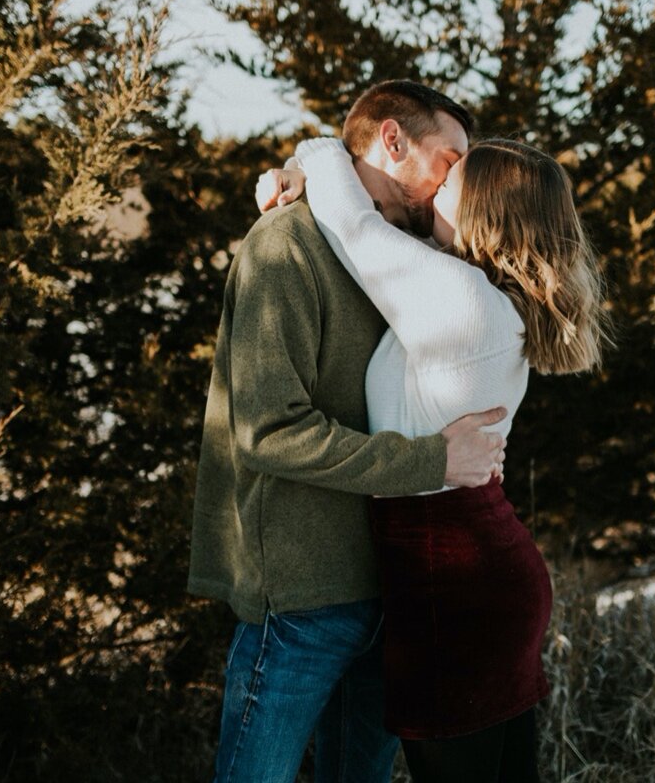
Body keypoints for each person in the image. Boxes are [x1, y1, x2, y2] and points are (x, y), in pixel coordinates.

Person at [260, 129, 610, 782]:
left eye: (449, 181)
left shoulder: (459, 297)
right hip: (473, 575)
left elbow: (354, 226)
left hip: (452, 588)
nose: (431, 191)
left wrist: (313, 150)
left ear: (483, 209)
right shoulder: (478, 295)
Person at [188, 80, 511, 783]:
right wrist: (434, 460)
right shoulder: (286, 245)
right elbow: (269, 432)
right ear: (392, 140)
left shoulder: (407, 258)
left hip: (390, 593)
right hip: (304, 596)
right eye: (449, 160)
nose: (459, 181)